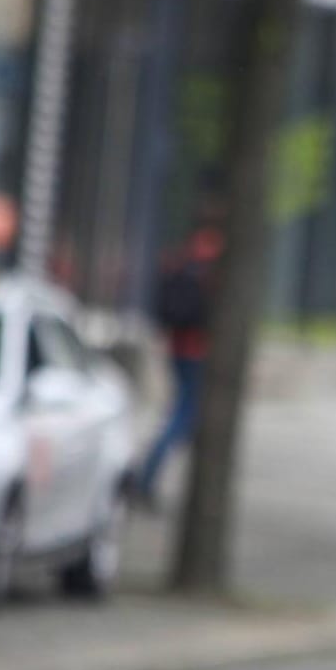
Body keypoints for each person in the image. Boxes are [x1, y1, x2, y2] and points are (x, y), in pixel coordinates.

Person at [129, 212, 223, 511]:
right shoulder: (215, 257)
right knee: (183, 416)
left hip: (179, 347)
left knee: (181, 413)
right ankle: (146, 478)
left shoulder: (186, 256)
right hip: (196, 350)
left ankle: (147, 477)